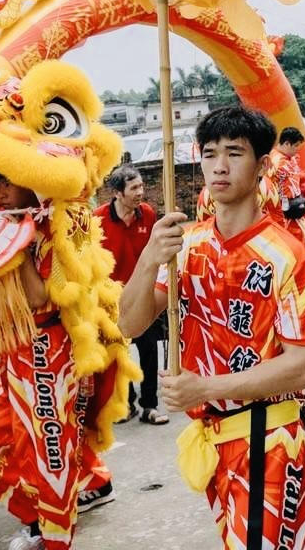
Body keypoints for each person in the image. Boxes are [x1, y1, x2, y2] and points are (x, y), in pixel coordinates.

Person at [120, 105, 305, 550]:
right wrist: (149, 257)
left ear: (262, 165)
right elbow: (130, 322)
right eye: (210, 153)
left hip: (269, 438)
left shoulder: (288, 255)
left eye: (235, 153)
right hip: (214, 442)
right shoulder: (186, 245)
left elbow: (303, 366)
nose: (220, 166)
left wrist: (205, 388)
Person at [98, 165, 171, 425]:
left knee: (149, 350)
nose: (140, 192)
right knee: (118, 353)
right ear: (118, 193)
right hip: (111, 299)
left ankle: (149, 406)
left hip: (143, 294)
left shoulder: (148, 215)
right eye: (134, 188)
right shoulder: (99, 220)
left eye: (141, 186)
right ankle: (125, 404)